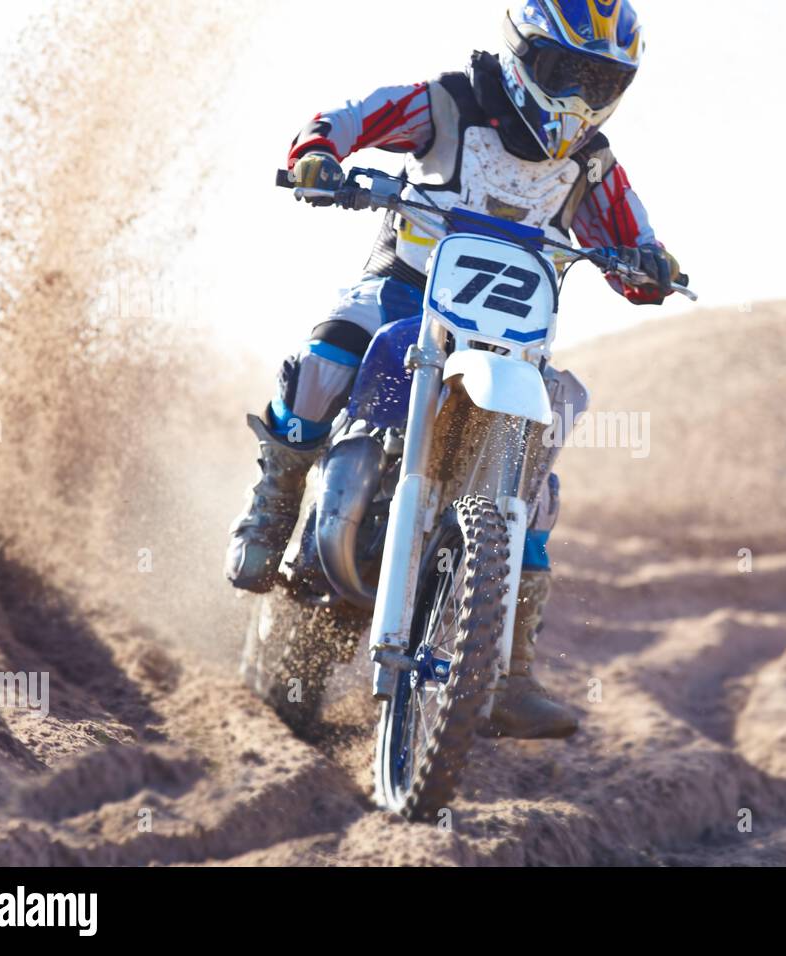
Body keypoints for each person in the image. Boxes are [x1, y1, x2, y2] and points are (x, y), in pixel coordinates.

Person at [226, 0, 683, 739]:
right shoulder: (447, 102)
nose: (577, 97)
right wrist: (319, 154)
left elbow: (638, 245)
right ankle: (274, 505)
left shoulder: (591, 162)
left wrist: (652, 266)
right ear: (521, 52)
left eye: (598, 81)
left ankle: (508, 670)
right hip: (406, 287)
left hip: (507, 332)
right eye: (565, 71)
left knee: (535, 483)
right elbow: (351, 118)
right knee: (328, 354)